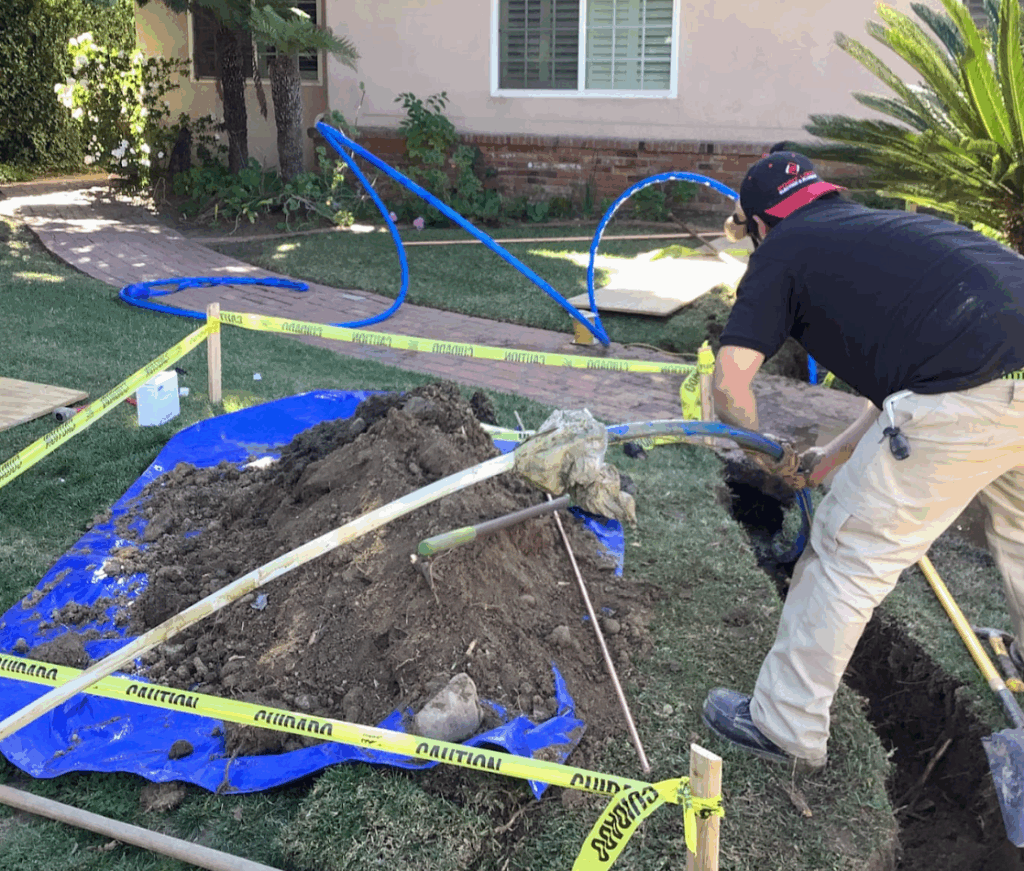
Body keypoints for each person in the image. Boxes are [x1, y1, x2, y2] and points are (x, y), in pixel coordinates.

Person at [701, 147, 1024, 773]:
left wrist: (761, 455)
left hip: (969, 395)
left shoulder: (782, 253)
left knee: (848, 554)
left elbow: (730, 385)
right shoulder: (885, 233)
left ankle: (785, 724)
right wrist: (829, 457)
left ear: (761, 224)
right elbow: (905, 385)